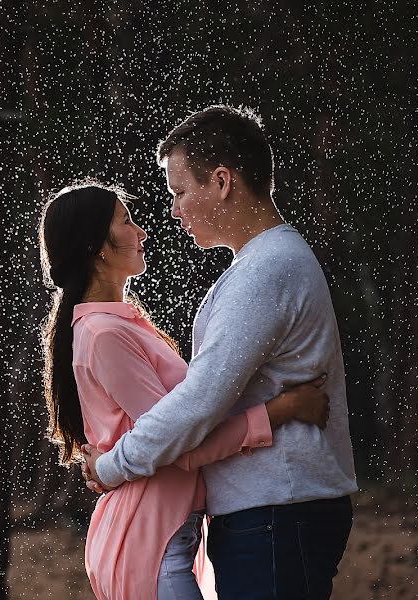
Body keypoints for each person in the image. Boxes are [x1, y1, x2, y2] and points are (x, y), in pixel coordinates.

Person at [81, 106, 358, 600]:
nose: (175, 210)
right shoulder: (260, 265)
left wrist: (110, 467)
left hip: (278, 509)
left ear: (223, 182)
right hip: (271, 510)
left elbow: (197, 404)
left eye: (181, 191)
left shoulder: (265, 272)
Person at [39, 180, 331, 600]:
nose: (141, 232)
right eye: (127, 222)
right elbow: (180, 444)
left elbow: (185, 423)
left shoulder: (123, 323)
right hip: (149, 545)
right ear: (96, 246)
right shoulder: (104, 335)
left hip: (167, 537)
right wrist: (280, 410)